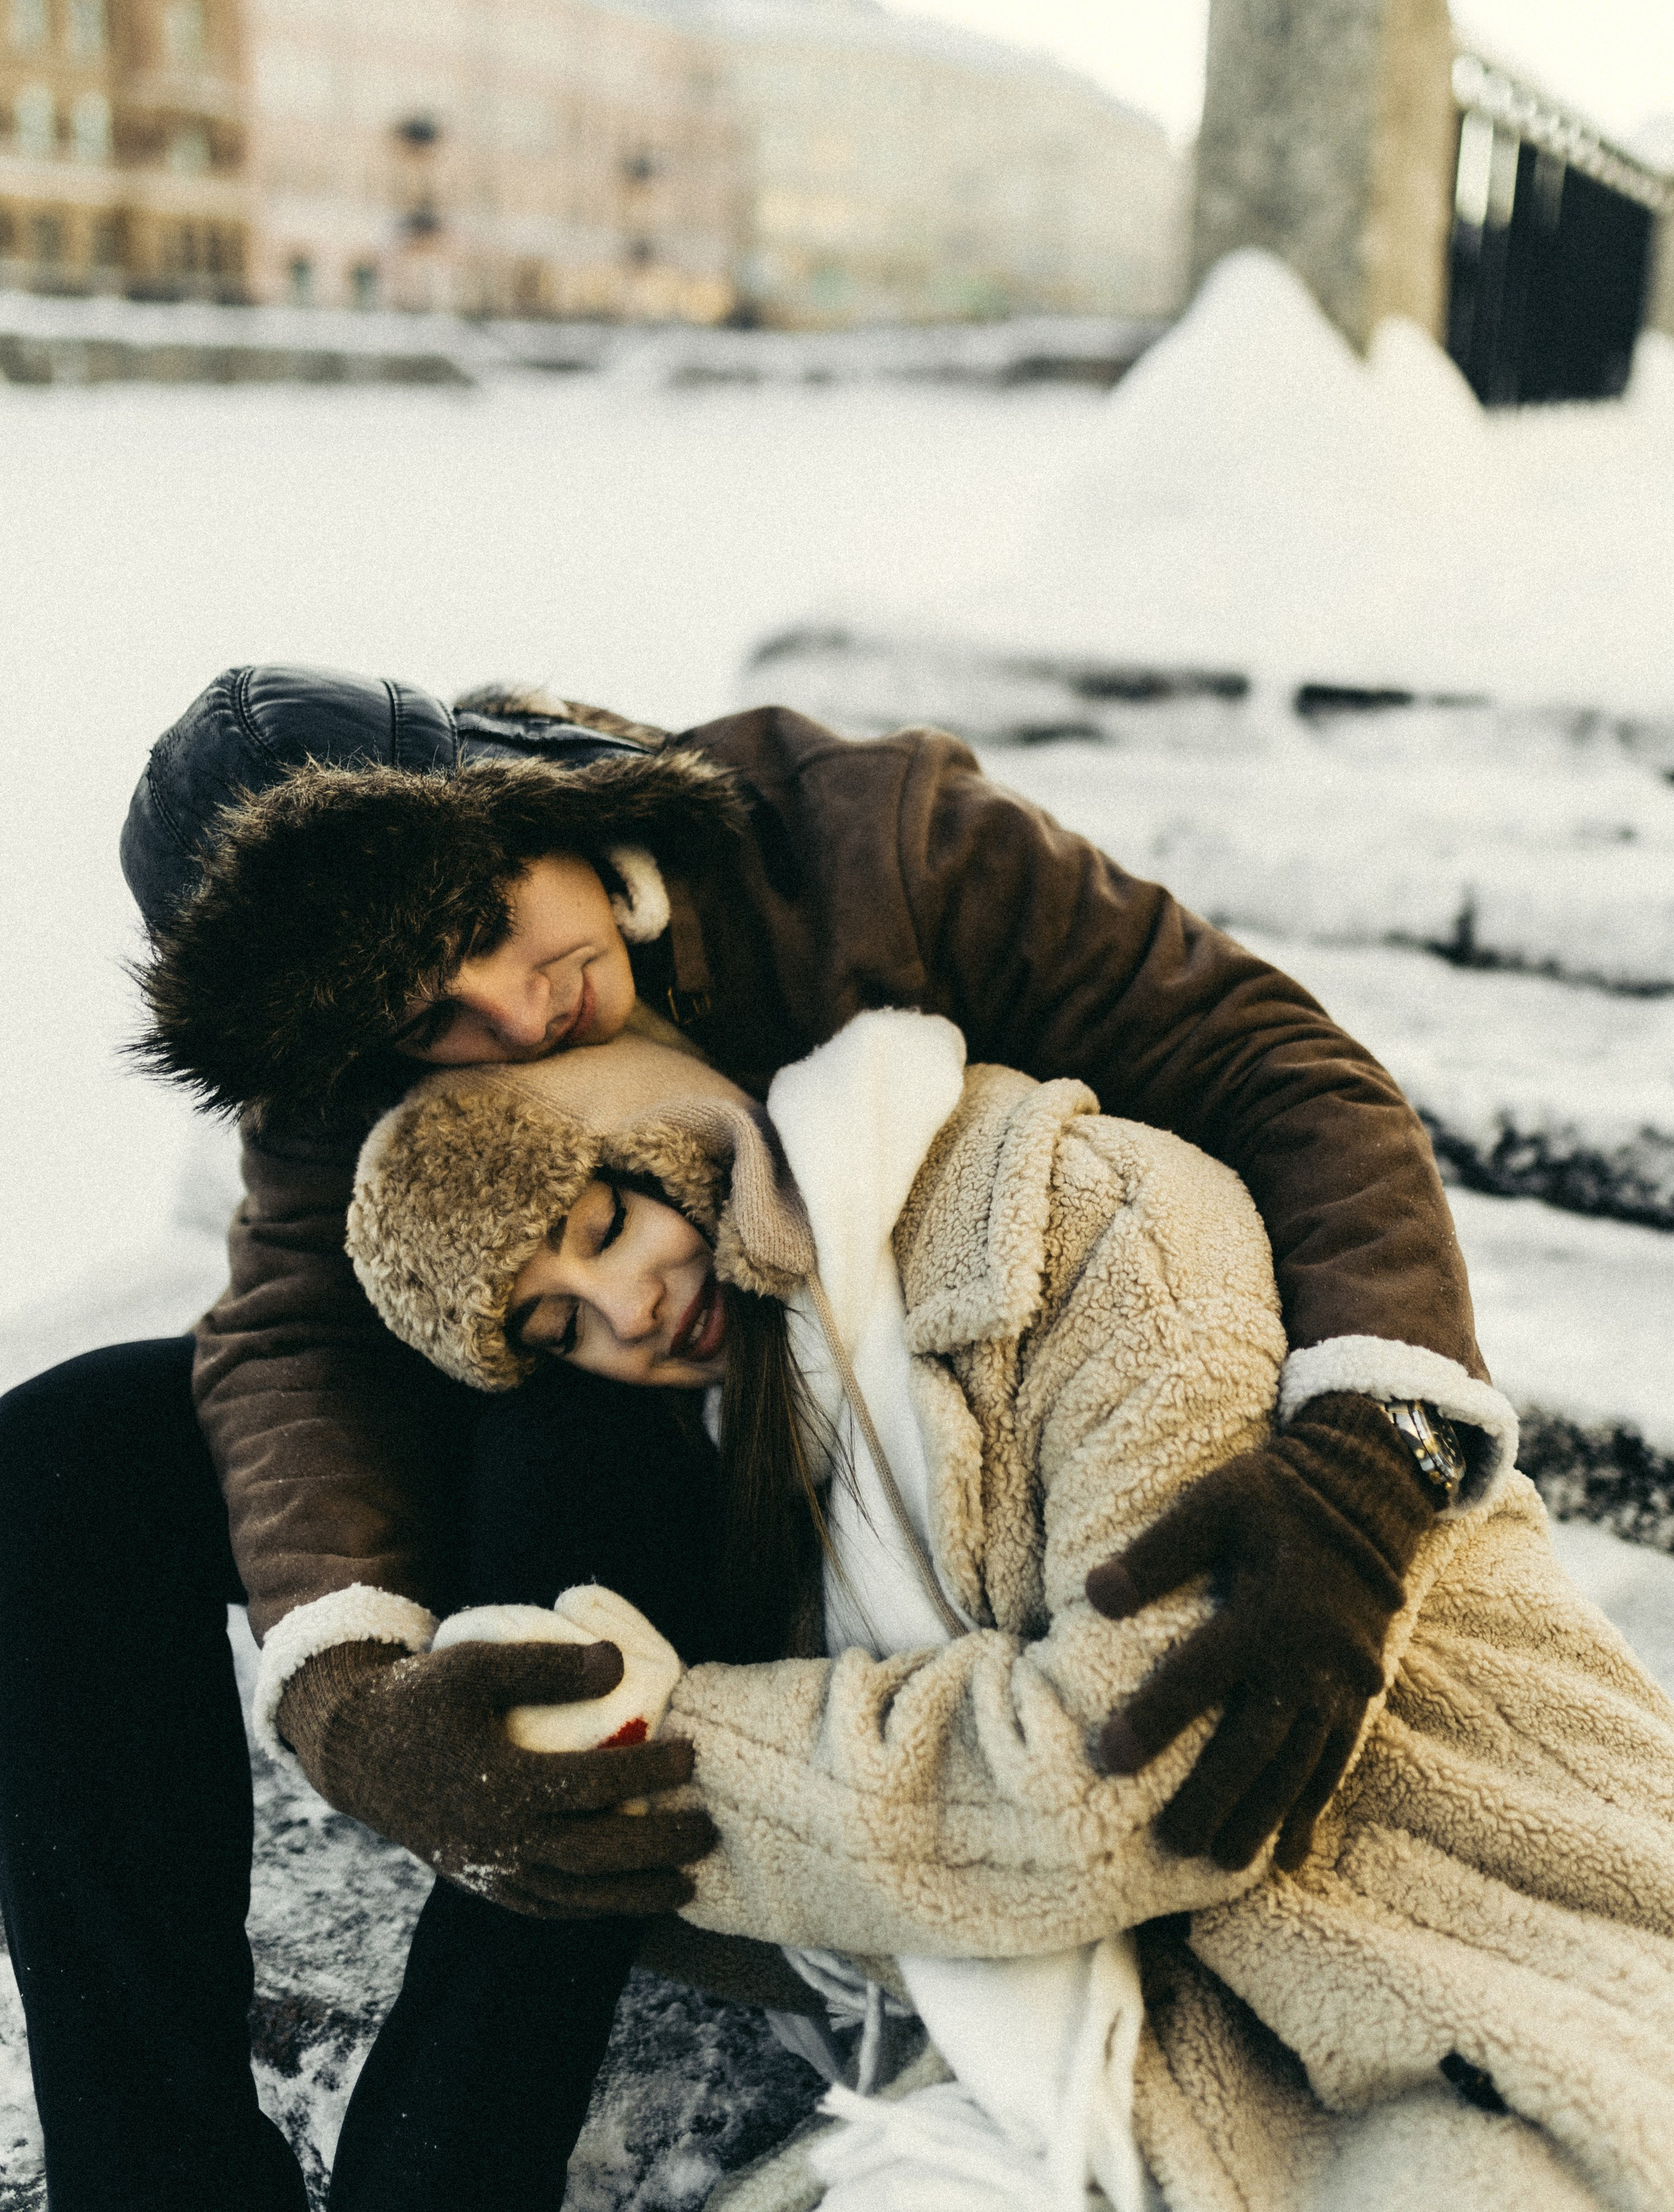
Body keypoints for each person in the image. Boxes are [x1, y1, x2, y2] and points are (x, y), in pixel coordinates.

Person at [0, 661, 1494, 2208]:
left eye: (482, 931)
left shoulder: (863, 848)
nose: (512, 1011)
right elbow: (292, 1336)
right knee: (57, 1460)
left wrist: (1378, 1435)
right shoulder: (348, 1047)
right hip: (622, 1445)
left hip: (892, 1477)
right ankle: (152, 2173)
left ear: (516, 793)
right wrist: (354, 1699)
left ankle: (447, 2168)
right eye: (433, 1018)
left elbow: (1273, 1064)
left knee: (569, 1449)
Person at [330, 1010, 1674, 2211]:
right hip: (1175, 2007)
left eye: (608, 1228)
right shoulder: (753, 1431)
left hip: (1468, 1900)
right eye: (559, 1330)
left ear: (663, 1139)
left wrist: (630, 1754)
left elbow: (1140, 1772)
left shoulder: (1084, 1217)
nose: (628, 1309)